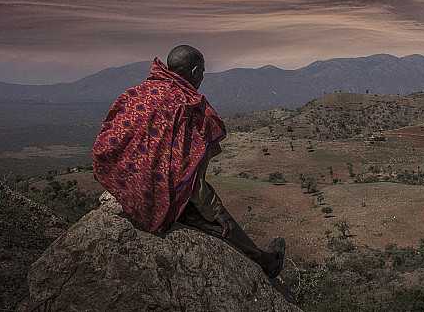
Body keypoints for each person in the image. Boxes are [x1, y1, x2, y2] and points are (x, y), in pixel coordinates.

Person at [92, 45, 285, 278]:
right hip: (155, 197)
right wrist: (217, 211)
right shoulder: (190, 107)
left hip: (125, 185)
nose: (202, 78)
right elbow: (193, 181)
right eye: (202, 73)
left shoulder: (138, 93)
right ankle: (264, 262)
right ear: (194, 71)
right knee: (221, 223)